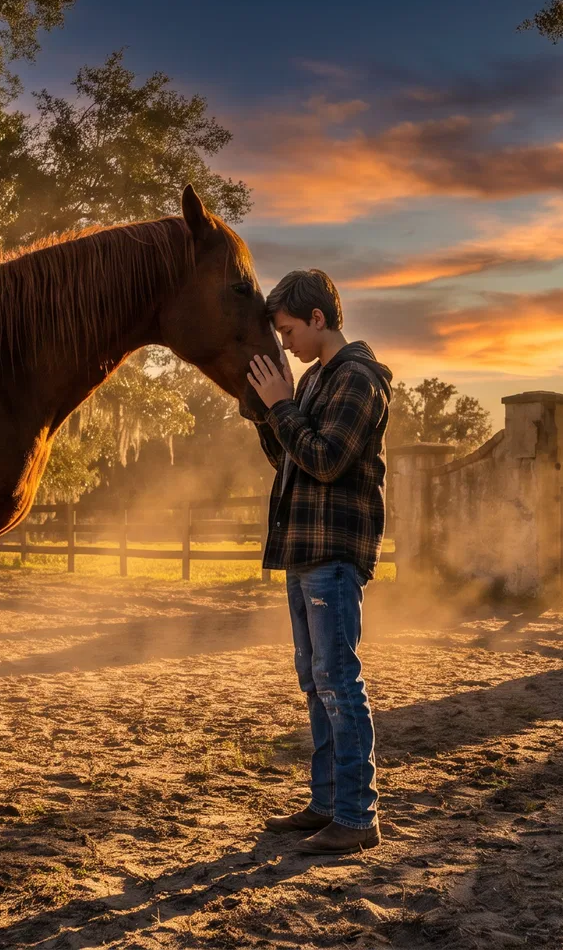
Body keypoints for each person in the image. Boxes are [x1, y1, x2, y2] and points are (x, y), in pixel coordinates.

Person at [245, 268, 392, 855]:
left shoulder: (358, 378)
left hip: (333, 551)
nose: (285, 344)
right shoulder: (313, 383)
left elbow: (327, 460)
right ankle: (328, 803)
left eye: (286, 332)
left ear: (316, 319)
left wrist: (283, 405)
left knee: (339, 681)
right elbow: (290, 455)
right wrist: (267, 409)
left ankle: (358, 817)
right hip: (304, 549)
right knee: (314, 681)